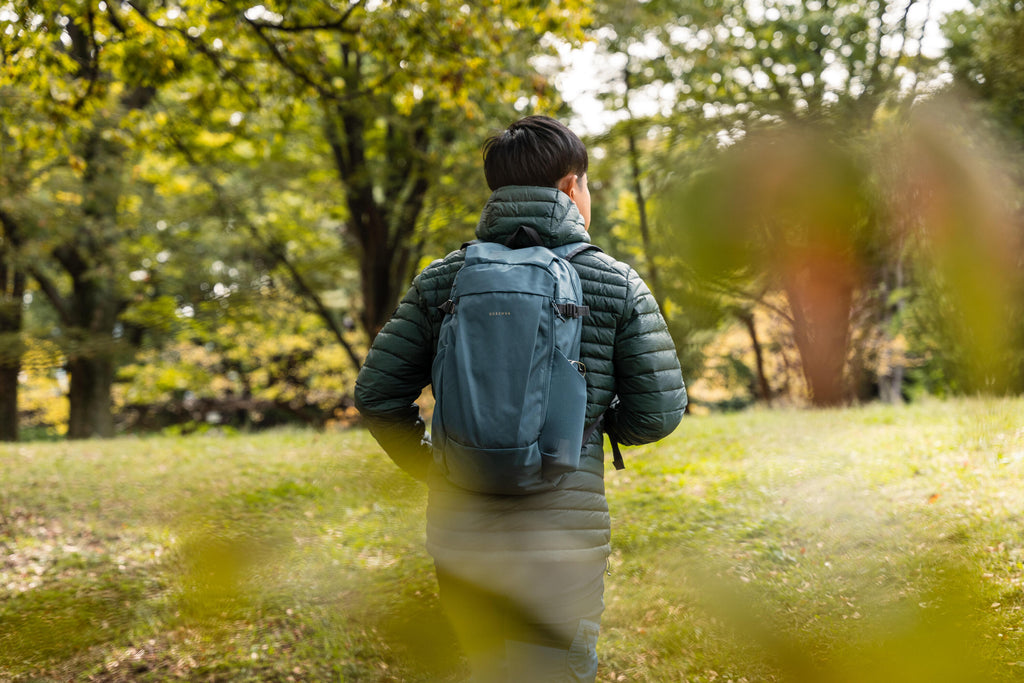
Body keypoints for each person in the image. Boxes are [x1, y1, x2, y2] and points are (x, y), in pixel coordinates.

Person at [354, 115, 687, 682]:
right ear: (568, 187)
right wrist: (594, 428)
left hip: (464, 531)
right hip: (563, 533)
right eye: (587, 184)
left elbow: (378, 395)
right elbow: (658, 411)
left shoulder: (444, 279)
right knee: (556, 667)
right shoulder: (615, 282)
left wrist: (439, 461)